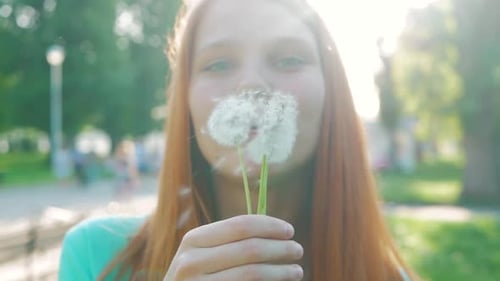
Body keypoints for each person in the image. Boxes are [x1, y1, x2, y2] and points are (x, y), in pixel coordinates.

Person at [58, 0, 419, 280]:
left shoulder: (386, 277)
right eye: (218, 64)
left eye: (289, 59)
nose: (252, 85)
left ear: (333, 93)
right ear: (184, 100)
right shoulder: (95, 257)